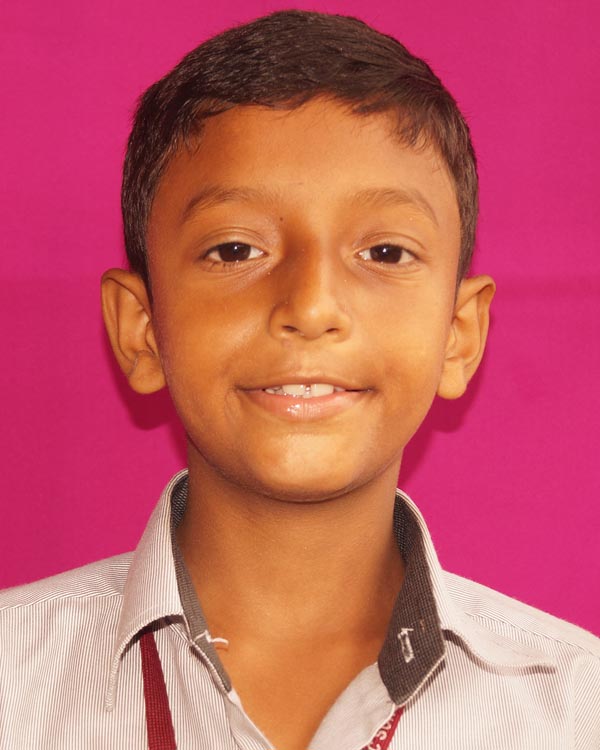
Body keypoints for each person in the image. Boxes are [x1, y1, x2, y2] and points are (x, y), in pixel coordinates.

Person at [0, 10, 598, 750]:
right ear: (142, 329)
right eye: (234, 249)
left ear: (459, 335)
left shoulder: (576, 712)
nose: (311, 306)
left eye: (384, 252)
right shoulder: (13, 686)